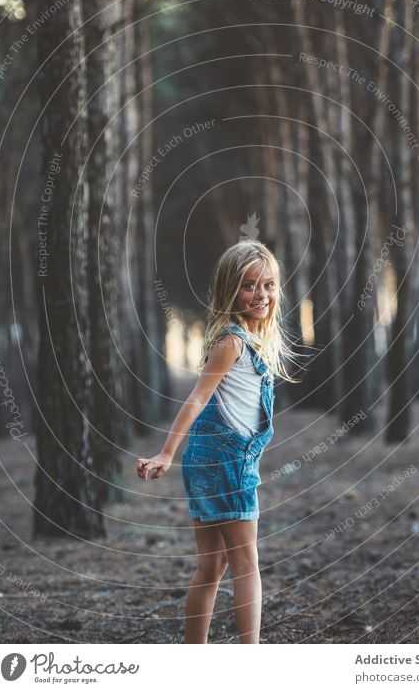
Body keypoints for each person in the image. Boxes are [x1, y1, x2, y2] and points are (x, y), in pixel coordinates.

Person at [135, 239, 302, 644]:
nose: (260, 294)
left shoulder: (247, 340)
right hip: (227, 464)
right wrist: (166, 452)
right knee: (247, 563)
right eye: (249, 286)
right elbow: (197, 398)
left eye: (268, 285)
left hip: (209, 462)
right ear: (230, 290)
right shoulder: (233, 343)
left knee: (211, 568)